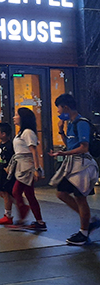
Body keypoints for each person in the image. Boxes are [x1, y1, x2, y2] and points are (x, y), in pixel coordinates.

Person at [48, 94, 100, 245]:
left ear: (65, 107)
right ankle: (88, 222)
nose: (58, 112)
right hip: (73, 164)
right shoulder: (70, 123)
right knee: (62, 193)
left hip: (83, 165)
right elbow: (71, 145)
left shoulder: (81, 123)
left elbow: (83, 148)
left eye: (58, 108)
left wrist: (62, 153)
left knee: (79, 197)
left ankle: (84, 231)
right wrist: (61, 131)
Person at [8, 107, 46, 230]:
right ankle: (38, 222)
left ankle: (24, 214)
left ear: (22, 117)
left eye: (16, 115)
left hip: (27, 167)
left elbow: (33, 151)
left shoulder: (28, 132)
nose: (14, 117)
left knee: (16, 191)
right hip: (22, 165)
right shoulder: (22, 132)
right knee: (29, 194)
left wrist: (36, 169)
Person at [0, 122, 15, 225]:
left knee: (6, 193)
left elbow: (12, 158)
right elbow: (1, 158)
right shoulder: (1, 144)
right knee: (1, 192)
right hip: (0, 169)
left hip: (6, 172)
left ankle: (8, 215)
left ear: (4, 134)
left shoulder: (10, 145)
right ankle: (12, 209)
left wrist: (8, 168)